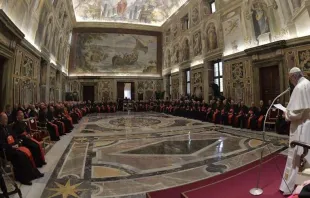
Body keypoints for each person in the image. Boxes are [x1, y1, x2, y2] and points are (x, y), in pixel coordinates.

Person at [279, 67, 310, 195]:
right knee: (307, 154)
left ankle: (293, 186)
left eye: (290, 79)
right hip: (308, 125)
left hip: (300, 127)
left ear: (293, 76)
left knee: (297, 156)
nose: (291, 82)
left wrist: (286, 114)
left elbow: (296, 112)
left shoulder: (299, 88)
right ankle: (306, 185)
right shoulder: (308, 84)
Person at [0, 113, 43, 185]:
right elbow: (1, 144)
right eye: (5, 119)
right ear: (0, 120)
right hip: (6, 150)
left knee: (25, 154)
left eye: (6, 118)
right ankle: (23, 178)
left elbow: (15, 137)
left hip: (14, 147)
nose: (6, 120)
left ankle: (33, 174)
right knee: (20, 157)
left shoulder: (8, 127)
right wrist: (11, 147)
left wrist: (16, 143)